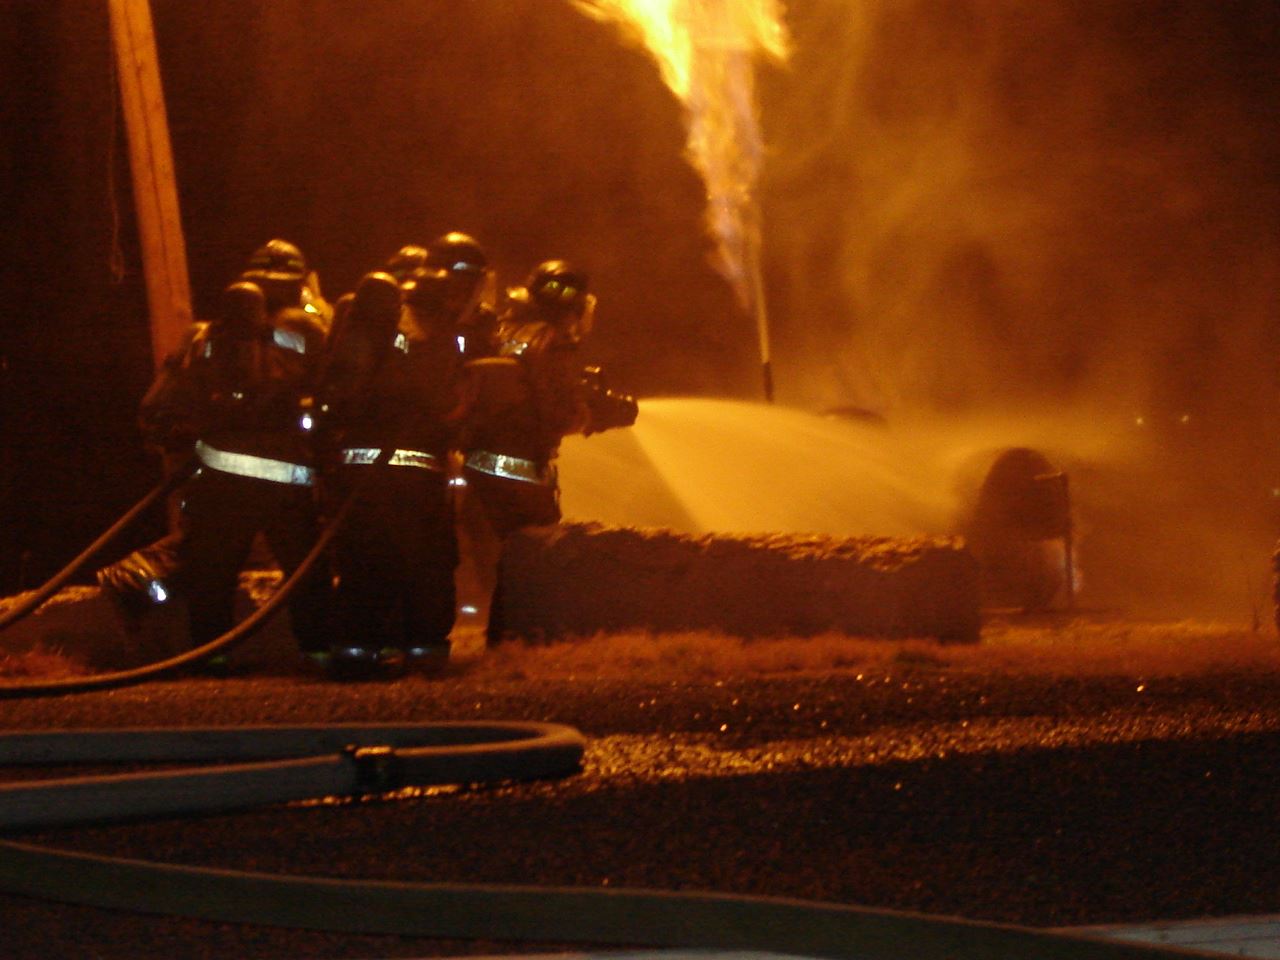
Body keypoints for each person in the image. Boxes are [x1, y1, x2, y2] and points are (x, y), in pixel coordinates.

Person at [99, 240, 332, 671]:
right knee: (305, 572)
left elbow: (162, 402)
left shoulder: (204, 337)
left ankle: (212, 657)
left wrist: (171, 435)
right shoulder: (303, 329)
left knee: (212, 573)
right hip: (287, 476)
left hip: (220, 477)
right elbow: (334, 385)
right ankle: (318, 654)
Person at [458, 260, 638, 644]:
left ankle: (504, 637)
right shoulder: (550, 340)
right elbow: (555, 411)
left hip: (479, 461)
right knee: (535, 553)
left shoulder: (507, 329)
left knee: (500, 558)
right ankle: (523, 640)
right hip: (520, 468)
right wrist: (596, 413)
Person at [316, 262, 471, 679]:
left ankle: (355, 653)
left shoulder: (355, 335)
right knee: (427, 563)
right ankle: (424, 652)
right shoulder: (433, 337)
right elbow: (444, 403)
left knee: (363, 563)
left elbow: (330, 400)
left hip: (358, 477)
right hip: (415, 478)